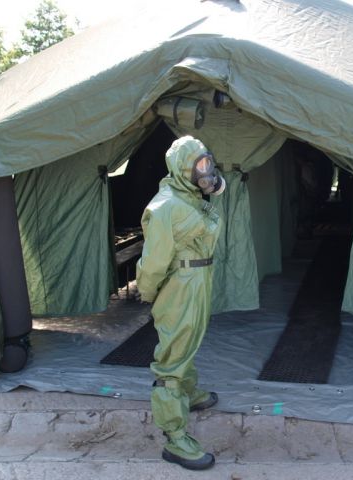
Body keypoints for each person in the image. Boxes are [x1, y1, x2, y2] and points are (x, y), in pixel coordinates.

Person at [136, 135, 225, 470]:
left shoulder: (190, 196)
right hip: (181, 285)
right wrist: (148, 291)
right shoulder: (166, 206)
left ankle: (189, 392)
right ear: (180, 167)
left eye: (207, 162)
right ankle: (175, 438)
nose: (206, 171)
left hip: (198, 279)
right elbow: (154, 261)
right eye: (198, 164)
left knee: (190, 340)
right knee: (172, 357)